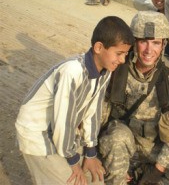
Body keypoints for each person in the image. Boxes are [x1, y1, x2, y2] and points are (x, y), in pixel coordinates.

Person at [15, 16, 135, 185]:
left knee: (97, 179)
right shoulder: (73, 71)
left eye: (126, 54)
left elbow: (92, 111)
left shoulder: (105, 72)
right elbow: (62, 120)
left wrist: (90, 153)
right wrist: (73, 161)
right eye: (119, 53)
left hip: (63, 135)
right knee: (73, 181)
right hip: (38, 133)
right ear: (99, 47)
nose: (122, 60)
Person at [98, 11, 169, 185]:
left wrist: (157, 172)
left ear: (163, 45)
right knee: (115, 140)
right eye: (143, 42)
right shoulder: (118, 69)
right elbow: (100, 115)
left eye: (156, 43)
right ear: (134, 42)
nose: (149, 50)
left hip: (156, 147)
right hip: (125, 142)